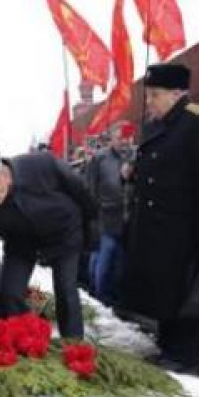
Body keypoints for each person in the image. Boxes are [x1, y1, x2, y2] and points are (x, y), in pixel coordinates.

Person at [122, 63, 199, 373]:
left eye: (154, 95)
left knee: (183, 295)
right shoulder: (160, 126)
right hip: (157, 230)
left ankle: (184, 355)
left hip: (185, 229)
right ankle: (168, 347)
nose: (149, 102)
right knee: (163, 293)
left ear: (176, 93)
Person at [0, 151, 96, 338]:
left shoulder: (41, 164)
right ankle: (29, 339)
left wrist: (92, 229)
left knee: (65, 291)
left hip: (63, 235)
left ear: (3, 175)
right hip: (21, 243)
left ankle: (74, 348)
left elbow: (80, 190)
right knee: (9, 293)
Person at [87, 123, 129, 306]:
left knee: (117, 260)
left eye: (128, 138)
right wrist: (95, 212)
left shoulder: (132, 158)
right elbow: (89, 189)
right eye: (121, 138)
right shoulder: (99, 159)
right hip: (105, 216)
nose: (125, 142)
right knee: (103, 255)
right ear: (112, 138)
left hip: (126, 219)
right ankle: (99, 298)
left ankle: (107, 295)